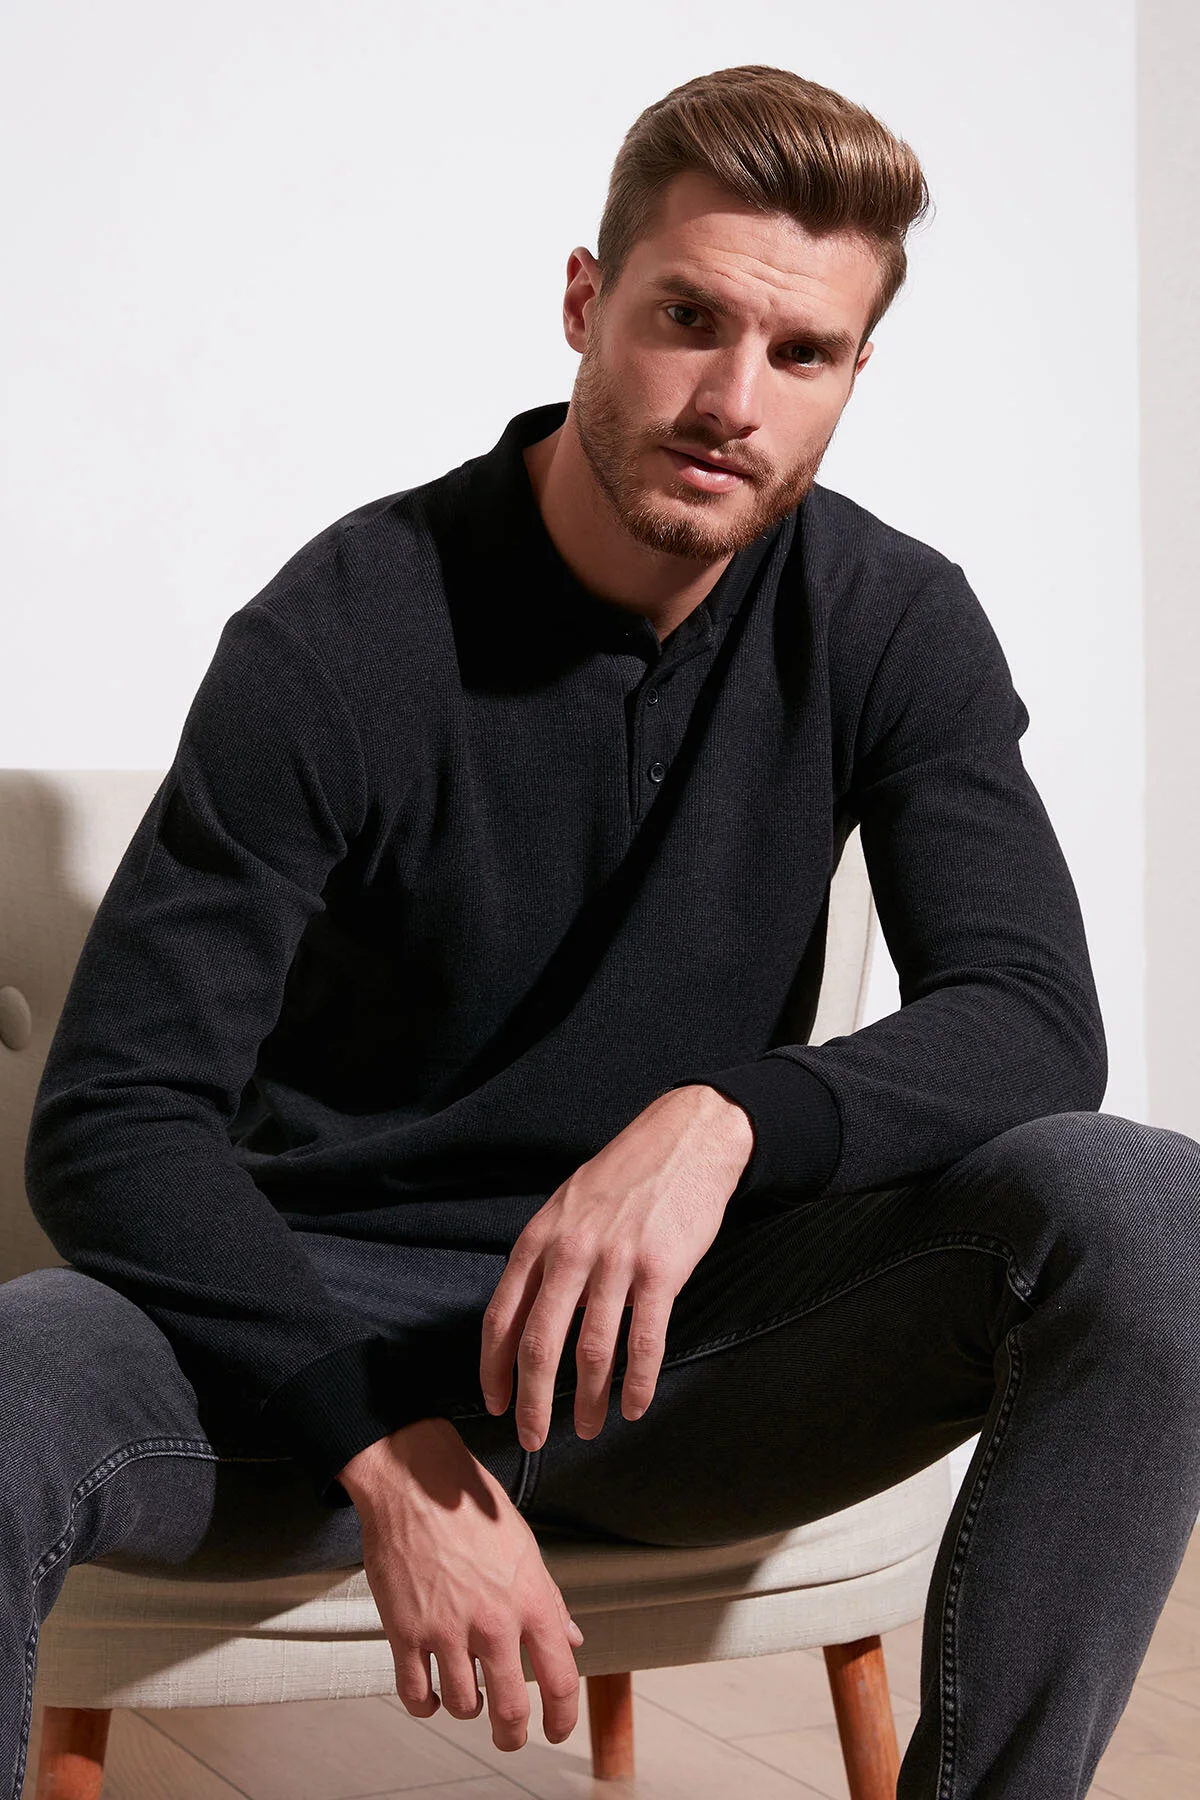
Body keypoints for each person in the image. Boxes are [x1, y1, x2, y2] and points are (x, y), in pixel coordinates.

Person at [6, 60, 1199, 1800]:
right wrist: (388, 1449)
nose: (732, 401)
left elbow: (1031, 1014)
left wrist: (723, 1122)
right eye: (687, 319)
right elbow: (115, 1117)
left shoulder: (891, 620)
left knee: (1151, 1211)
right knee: (15, 1376)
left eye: (802, 353)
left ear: (856, 373)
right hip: (318, 1347)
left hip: (678, 1357)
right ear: (587, 301)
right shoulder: (341, 631)